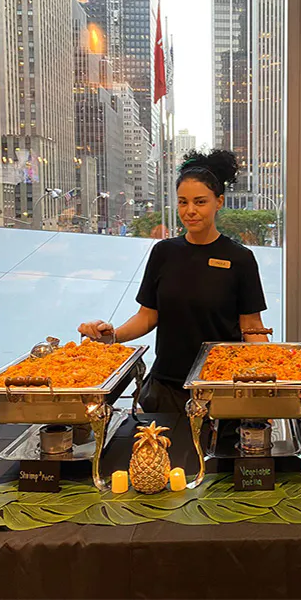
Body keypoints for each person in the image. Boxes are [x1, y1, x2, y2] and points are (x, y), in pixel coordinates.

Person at [78, 149, 269, 413]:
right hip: (165, 386)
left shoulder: (240, 259)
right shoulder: (163, 252)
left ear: (219, 202)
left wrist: (269, 378)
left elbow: (252, 327)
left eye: (200, 202)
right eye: (183, 202)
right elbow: (147, 316)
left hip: (221, 387)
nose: (190, 211)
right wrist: (112, 336)